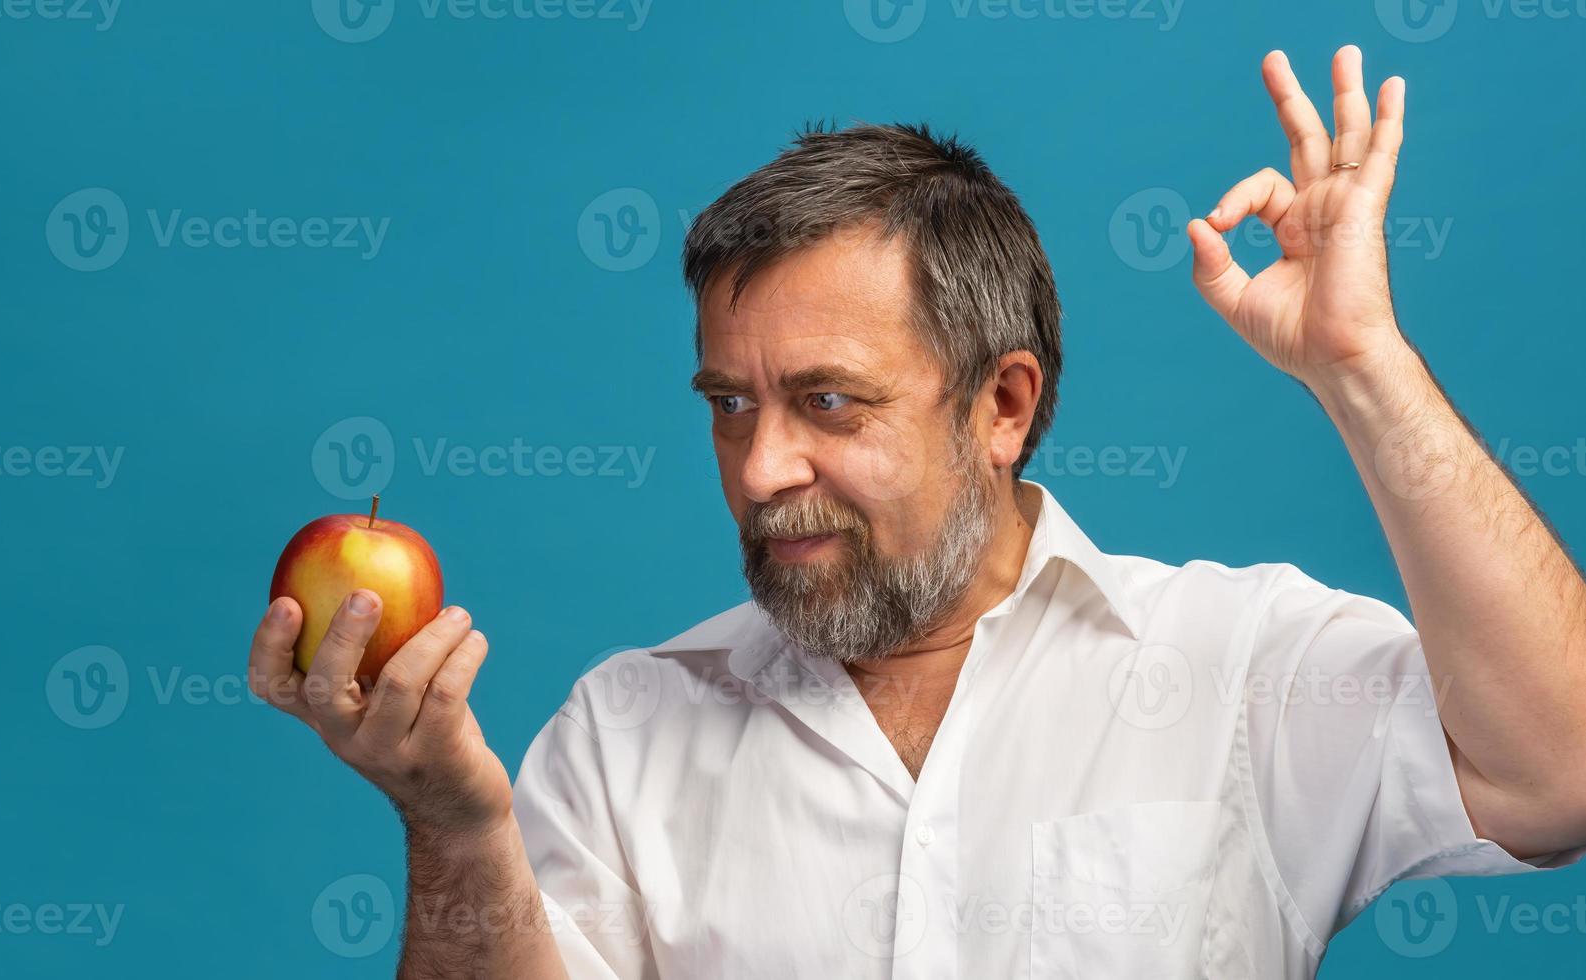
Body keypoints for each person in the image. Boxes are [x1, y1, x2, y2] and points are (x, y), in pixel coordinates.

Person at [248, 46, 1586, 978]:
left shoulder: (1241, 667)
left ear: (1002, 406)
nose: (761, 466)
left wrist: (1363, 368)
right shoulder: (623, 734)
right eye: (728, 404)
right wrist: (454, 826)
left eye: (828, 403)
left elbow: (1560, 771)